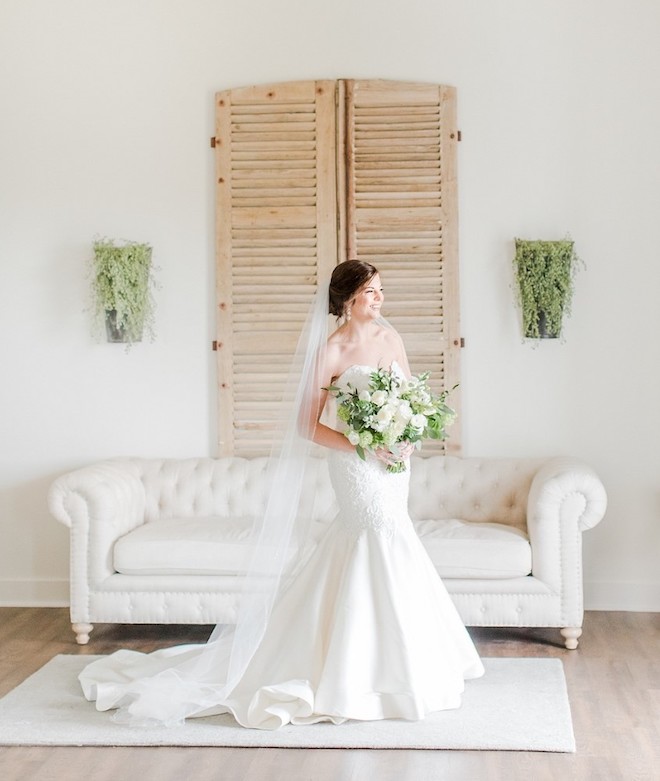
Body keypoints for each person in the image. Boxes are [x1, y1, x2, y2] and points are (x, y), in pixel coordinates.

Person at [79, 259, 484, 730]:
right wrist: (363, 444)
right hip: (354, 464)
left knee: (393, 538)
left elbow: (412, 399)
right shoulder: (330, 350)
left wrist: (407, 437)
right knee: (373, 535)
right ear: (348, 299)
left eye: (380, 291)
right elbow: (306, 425)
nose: (379, 299)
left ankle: (406, 663)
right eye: (371, 292)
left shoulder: (391, 339)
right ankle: (353, 671)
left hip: (394, 464)